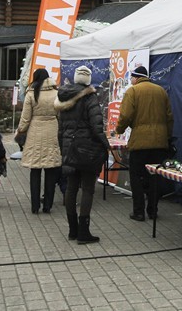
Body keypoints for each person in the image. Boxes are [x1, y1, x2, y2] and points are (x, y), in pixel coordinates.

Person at [54, 65, 109, 244]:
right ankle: (84, 232)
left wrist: (63, 148)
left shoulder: (63, 96)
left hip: (69, 148)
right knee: (87, 189)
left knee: (71, 188)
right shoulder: (90, 97)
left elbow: (61, 129)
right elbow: (97, 126)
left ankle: (72, 230)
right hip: (87, 149)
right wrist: (104, 143)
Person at [116, 66, 174, 222]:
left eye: (131, 78)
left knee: (136, 176)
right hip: (159, 143)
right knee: (154, 177)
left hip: (140, 143)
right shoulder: (161, 91)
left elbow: (125, 115)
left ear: (135, 78)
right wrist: (166, 136)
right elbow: (169, 117)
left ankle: (139, 211)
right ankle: (153, 211)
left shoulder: (132, 91)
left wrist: (119, 130)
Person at [17, 68, 62, 214]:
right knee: (51, 169)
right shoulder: (56, 93)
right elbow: (60, 114)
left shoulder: (31, 93)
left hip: (35, 131)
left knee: (35, 170)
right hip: (52, 130)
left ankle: (35, 206)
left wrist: (20, 131)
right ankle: (47, 205)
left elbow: (25, 118)